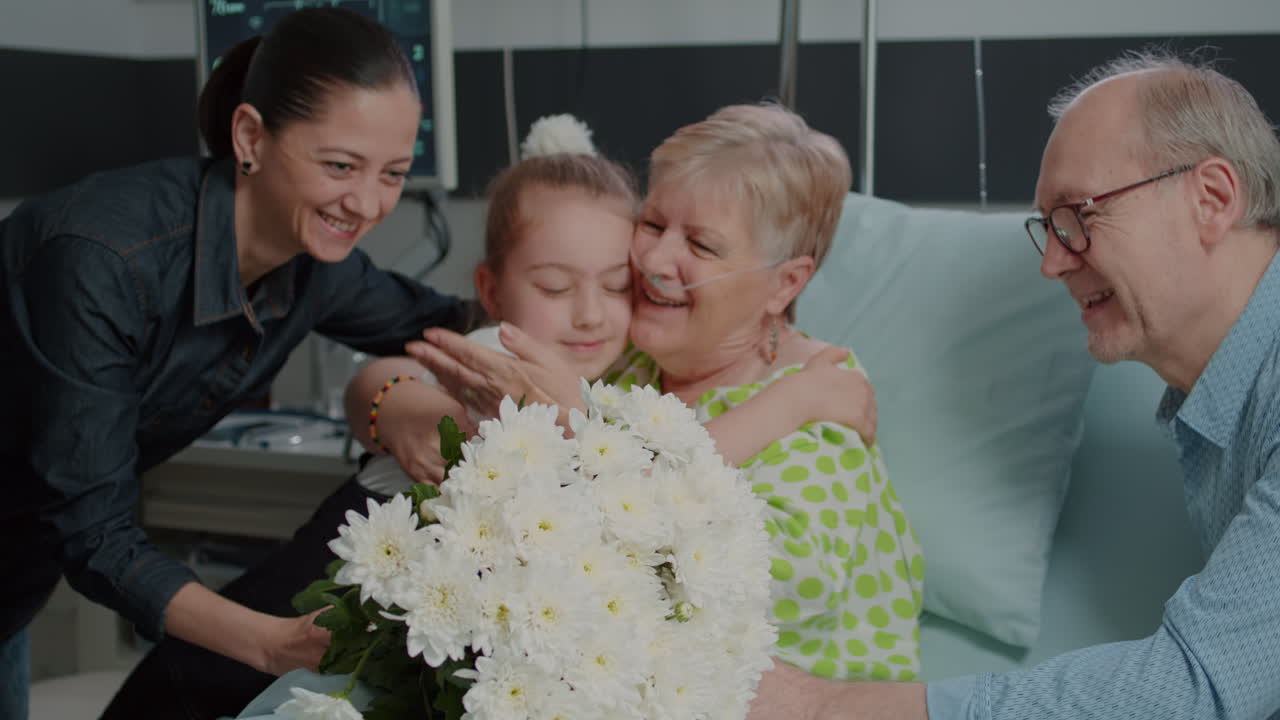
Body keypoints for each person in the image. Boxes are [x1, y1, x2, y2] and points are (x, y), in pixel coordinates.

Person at [742, 50, 1280, 719]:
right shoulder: (1217, 405)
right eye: (1047, 229)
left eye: (1078, 215)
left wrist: (829, 707)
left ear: (1213, 199)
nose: (1053, 262)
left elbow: (1195, 686)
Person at [0, 8, 482, 720]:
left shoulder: (318, 267)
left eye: (394, 173)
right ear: (251, 136)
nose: (369, 203)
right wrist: (273, 644)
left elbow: (448, 325)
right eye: (341, 166)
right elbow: (94, 535)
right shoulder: (102, 259)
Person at [408, 102, 926, 684]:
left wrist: (578, 432)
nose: (653, 260)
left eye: (701, 246)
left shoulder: (824, 403)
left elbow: (720, 591)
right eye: (652, 225)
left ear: (786, 283)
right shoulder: (626, 355)